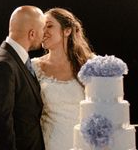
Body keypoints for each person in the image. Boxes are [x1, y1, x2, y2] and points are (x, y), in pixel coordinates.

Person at [0, 5, 47, 150]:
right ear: (32, 34)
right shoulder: (3, 65)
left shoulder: (14, 60)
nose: (44, 34)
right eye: (43, 28)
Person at [31, 8, 95, 150]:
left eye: (49, 26)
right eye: (41, 27)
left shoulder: (90, 64)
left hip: (86, 144)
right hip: (51, 143)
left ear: (67, 31)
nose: (43, 31)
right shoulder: (34, 67)